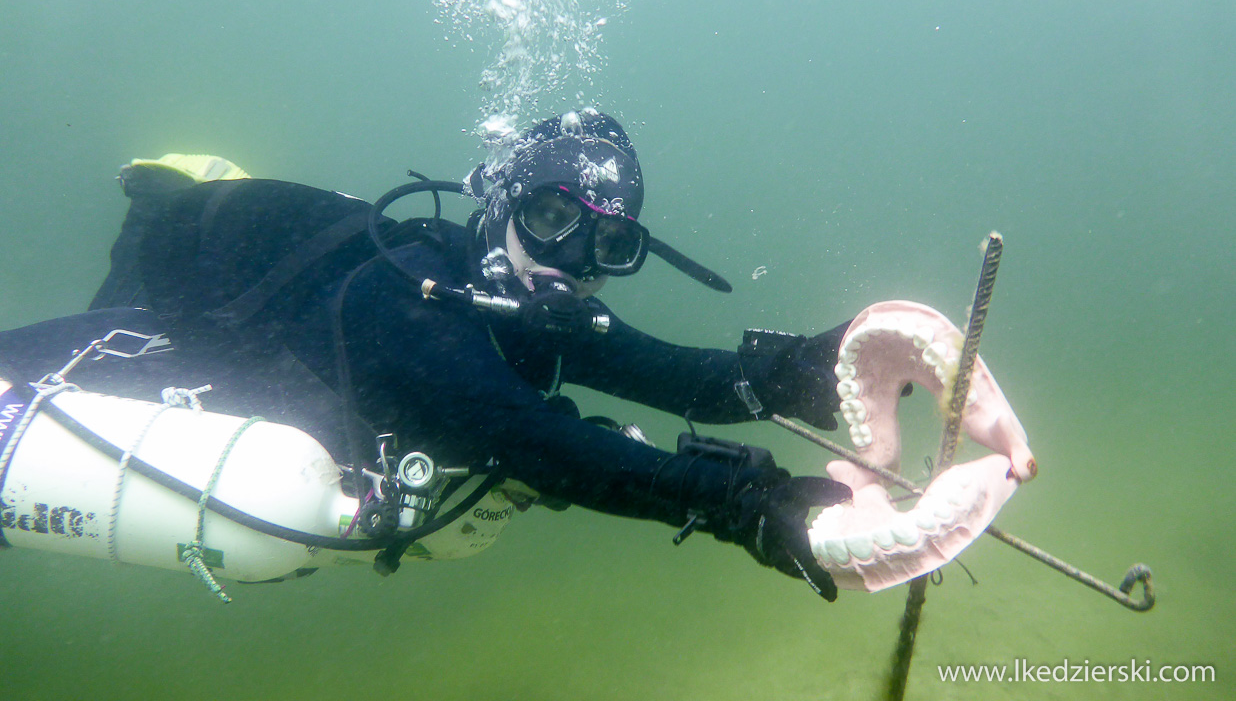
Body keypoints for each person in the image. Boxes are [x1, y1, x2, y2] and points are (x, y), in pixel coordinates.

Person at [78, 110, 856, 598]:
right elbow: (526, 436)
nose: (573, 257)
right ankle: (170, 188)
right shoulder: (418, 295)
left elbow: (678, 375)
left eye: (609, 242)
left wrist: (807, 370)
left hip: (303, 291)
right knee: (95, 378)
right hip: (182, 264)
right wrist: (735, 503)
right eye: (552, 215)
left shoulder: (533, 302)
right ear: (502, 207)